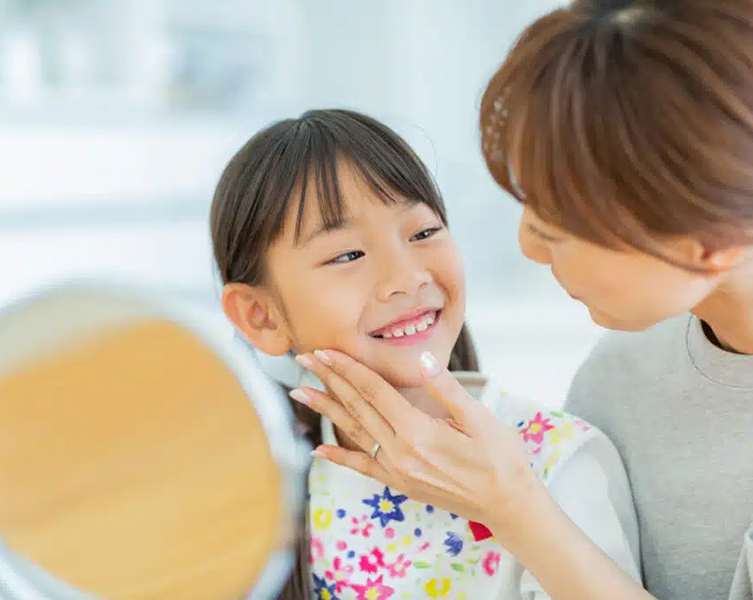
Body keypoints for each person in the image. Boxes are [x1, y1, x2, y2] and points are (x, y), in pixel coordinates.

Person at [292, 2, 753, 600]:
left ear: (712, 241)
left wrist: (516, 511)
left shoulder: (563, 446)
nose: (528, 246)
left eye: (557, 226)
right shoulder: (620, 377)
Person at [209, 108, 641, 599]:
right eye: (348, 255)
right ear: (261, 317)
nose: (408, 277)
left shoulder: (558, 460)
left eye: (422, 233)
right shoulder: (256, 487)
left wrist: (517, 510)